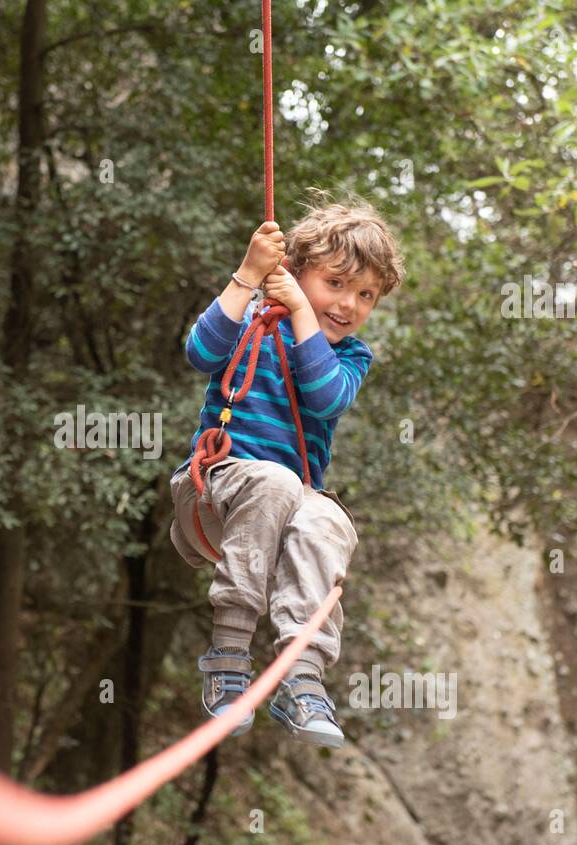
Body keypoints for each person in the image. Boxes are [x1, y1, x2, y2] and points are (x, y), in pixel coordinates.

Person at [169, 190, 405, 747]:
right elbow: (200, 353)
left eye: (366, 294)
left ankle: (301, 676)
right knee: (275, 481)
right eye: (336, 284)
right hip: (213, 493)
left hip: (285, 504)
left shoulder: (350, 357)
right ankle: (229, 655)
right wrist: (249, 275)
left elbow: (324, 398)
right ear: (296, 272)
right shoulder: (252, 320)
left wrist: (302, 310)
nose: (349, 304)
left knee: (329, 520)